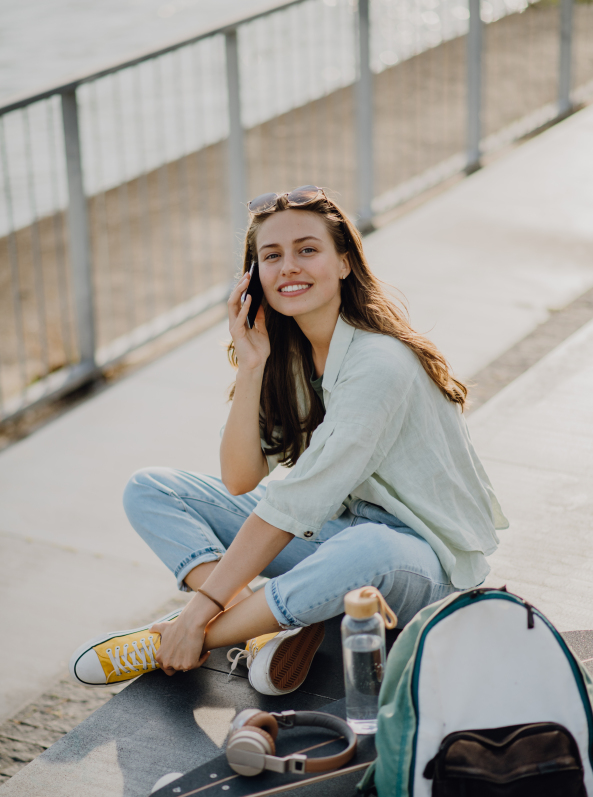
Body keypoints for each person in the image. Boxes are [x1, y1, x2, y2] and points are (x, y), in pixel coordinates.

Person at [69, 185, 508, 694]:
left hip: (422, 562)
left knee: (367, 548)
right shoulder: (293, 355)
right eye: (271, 256)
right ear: (254, 278)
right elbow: (240, 478)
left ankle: (190, 635)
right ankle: (261, 624)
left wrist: (195, 617)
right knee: (150, 488)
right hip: (338, 534)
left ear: (344, 262)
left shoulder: (379, 364)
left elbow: (294, 505)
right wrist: (252, 363)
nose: (289, 267)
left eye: (307, 249)